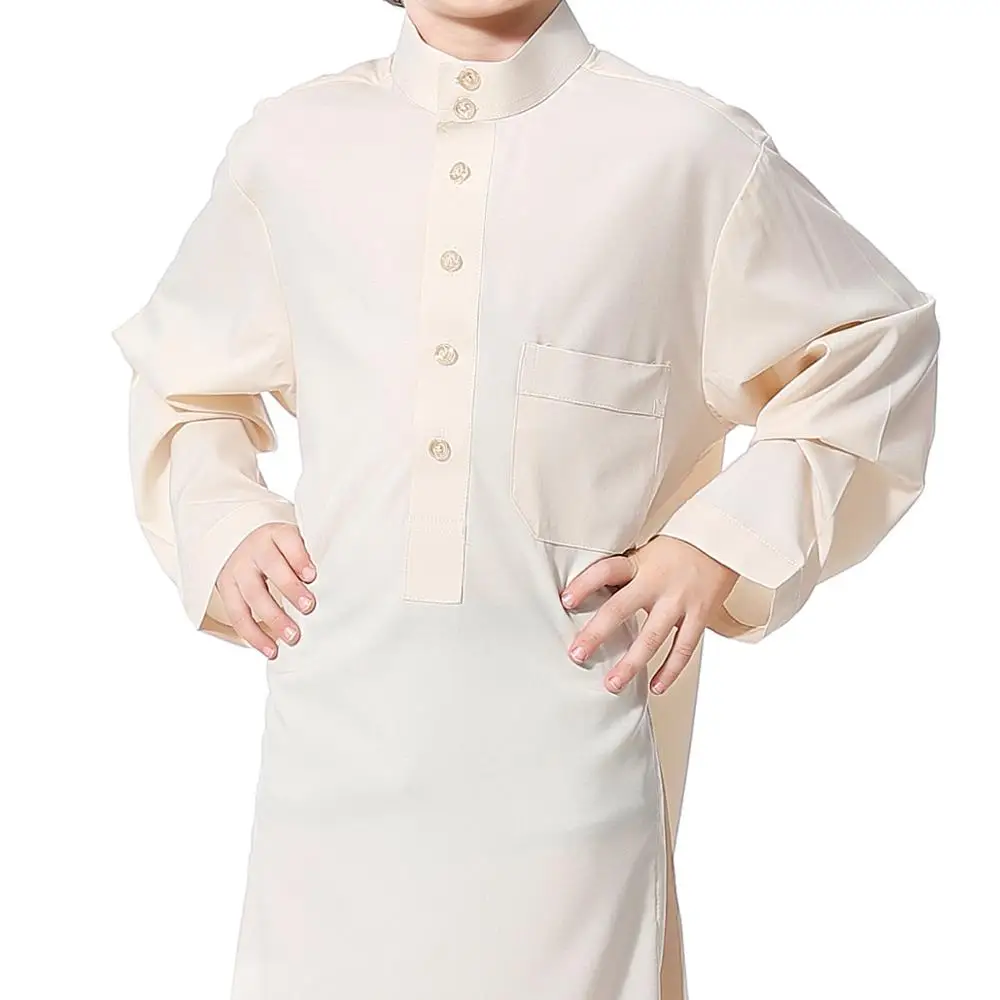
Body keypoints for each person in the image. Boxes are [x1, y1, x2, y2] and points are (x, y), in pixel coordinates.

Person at [110, 1, 940, 997]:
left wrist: (719, 542)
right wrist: (225, 519)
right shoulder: (291, 148)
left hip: (572, 754)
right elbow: (182, 376)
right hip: (331, 742)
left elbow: (876, 343)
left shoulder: (684, 151)